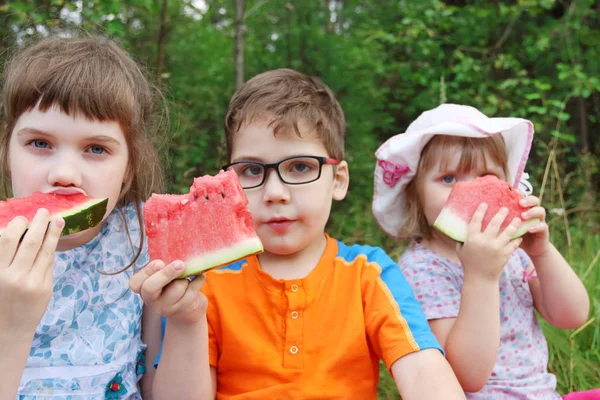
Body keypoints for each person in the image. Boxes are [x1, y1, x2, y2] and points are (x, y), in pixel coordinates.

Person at [130, 69, 466, 399]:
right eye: (251, 170)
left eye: (300, 167)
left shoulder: (369, 273)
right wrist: (186, 320)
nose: (275, 192)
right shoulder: (209, 284)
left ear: (339, 180)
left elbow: (423, 370)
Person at [372, 103, 591, 398]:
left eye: (486, 176)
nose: (468, 191)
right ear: (414, 194)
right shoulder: (422, 268)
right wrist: (481, 277)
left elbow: (573, 316)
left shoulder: (513, 251)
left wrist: (542, 253)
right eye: (448, 178)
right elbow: (467, 377)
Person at [0, 36, 165, 399]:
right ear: (7, 150)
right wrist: (11, 327)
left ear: (128, 169)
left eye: (95, 148)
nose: (64, 174)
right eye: (40, 143)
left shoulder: (142, 240)